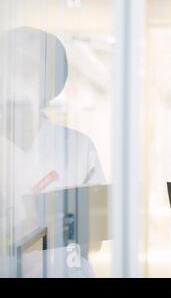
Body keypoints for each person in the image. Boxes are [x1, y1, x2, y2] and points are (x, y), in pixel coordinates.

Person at [0, 26, 105, 277]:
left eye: (30, 72)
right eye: (13, 69)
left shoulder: (79, 148)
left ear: (49, 86)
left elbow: (96, 238)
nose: (19, 81)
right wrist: (34, 229)